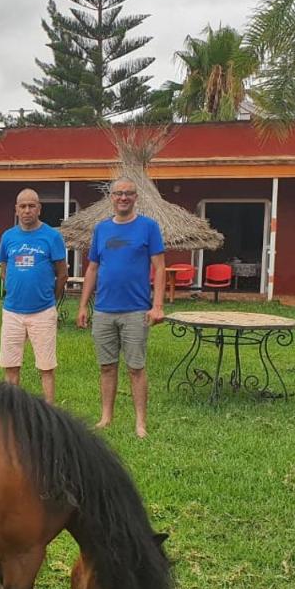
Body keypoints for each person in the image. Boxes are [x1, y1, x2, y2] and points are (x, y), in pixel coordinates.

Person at [76, 178, 165, 437]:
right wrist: (83, 305)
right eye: (118, 194)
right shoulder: (101, 230)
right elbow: (92, 268)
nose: (123, 198)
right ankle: (106, 417)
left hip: (136, 309)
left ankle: (140, 422)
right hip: (104, 309)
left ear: (136, 197)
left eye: (128, 193)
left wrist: (157, 305)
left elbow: (159, 267)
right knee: (107, 366)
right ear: (111, 198)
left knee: (136, 367)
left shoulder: (148, 227)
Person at [0, 188, 67, 404]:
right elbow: (4, 267)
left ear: (39, 208)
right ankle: (12, 411)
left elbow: (62, 274)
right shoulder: (8, 237)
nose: (27, 210)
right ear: (16, 210)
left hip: (43, 311)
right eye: (23, 206)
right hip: (12, 311)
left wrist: (50, 300)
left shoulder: (52, 236)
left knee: (46, 367)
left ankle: (48, 411)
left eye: (32, 206)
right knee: (11, 365)